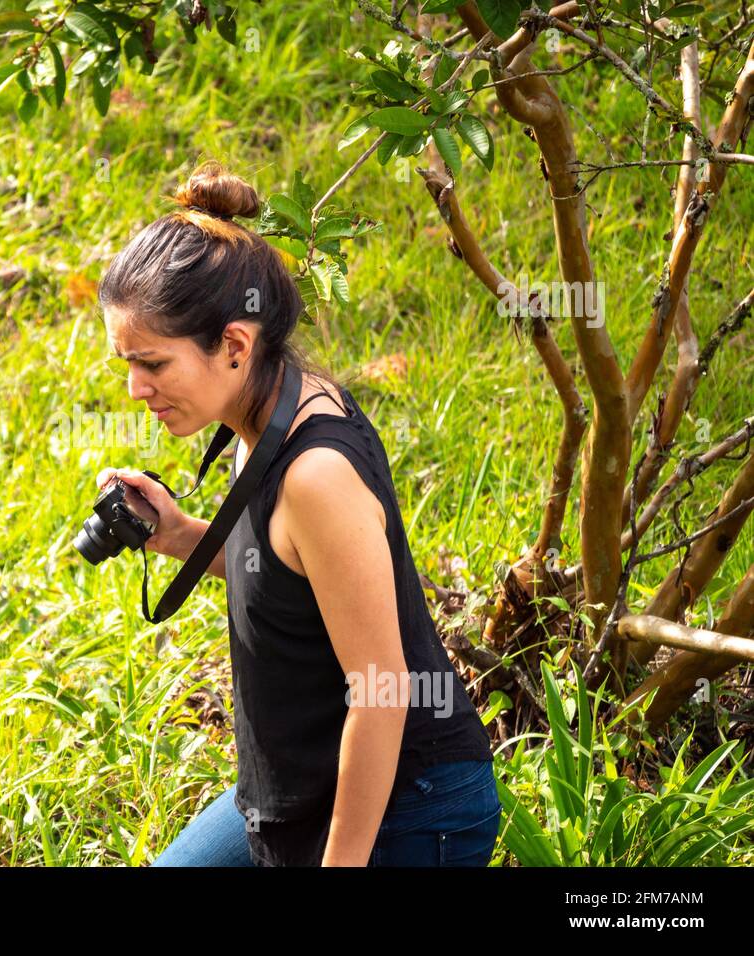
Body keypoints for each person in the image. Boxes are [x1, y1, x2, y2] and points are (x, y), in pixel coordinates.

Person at [94, 160, 501, 867]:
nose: (136, 388)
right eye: (126, 362)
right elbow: (284, 570)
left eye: (153, 364)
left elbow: (382, 692)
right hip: (299, 783)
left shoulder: (317, 475)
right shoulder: (268, 401)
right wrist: (178, 533)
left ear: (233, 344)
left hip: (409, 801)